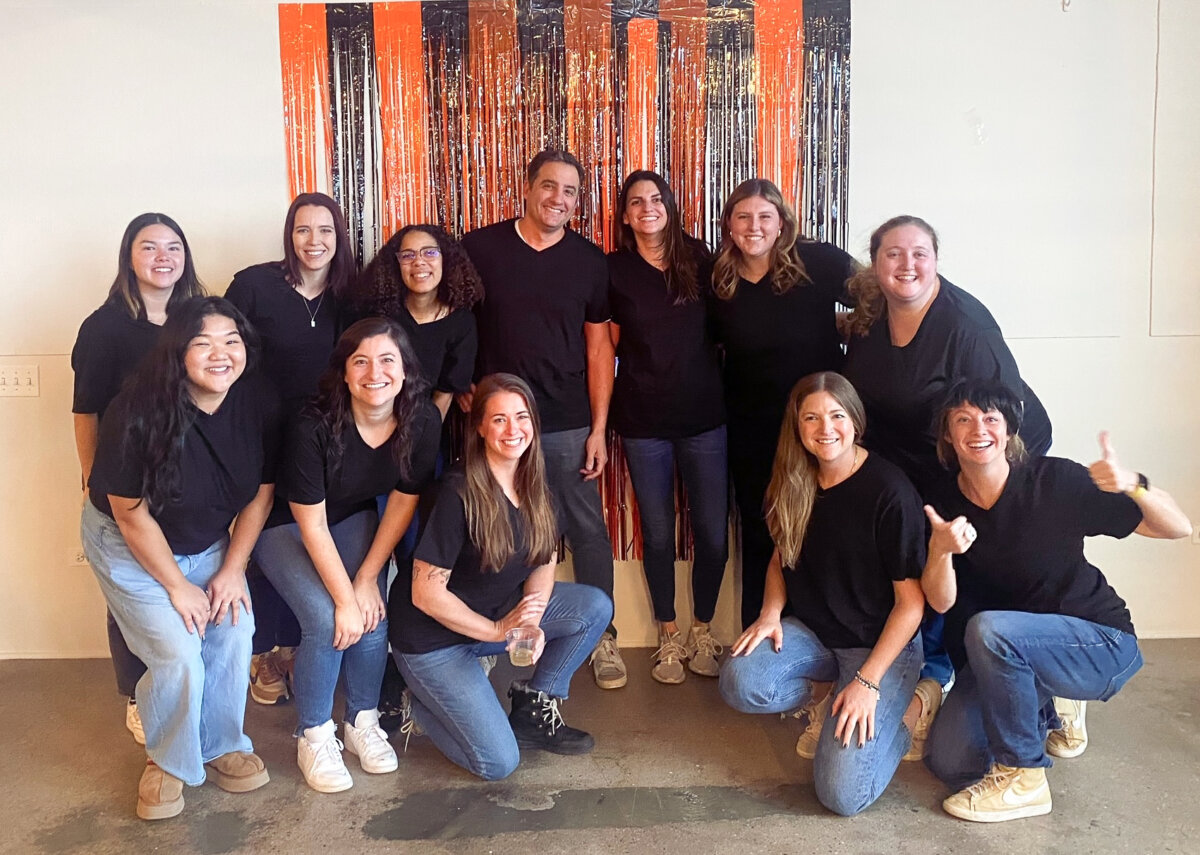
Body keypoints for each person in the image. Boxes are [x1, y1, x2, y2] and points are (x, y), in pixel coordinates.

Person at [921, 379, 1190, 823]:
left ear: (1008, 431)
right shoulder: (942, 500)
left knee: (989, 628)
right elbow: (941, 601)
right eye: (962, 419)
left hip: (1098, 641)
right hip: (1008, 655)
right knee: (952, 762)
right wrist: (941, 550)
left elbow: (1178, 528)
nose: (978, 429)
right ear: (948, 435)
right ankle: (1047, 706)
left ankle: (1025, 777)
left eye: (991, 418)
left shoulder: (1055, 480)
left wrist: (1135, 485)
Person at [842, 214, 1055, 758]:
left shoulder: (967, 324)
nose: (906, 265)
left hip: (976, 454)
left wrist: (991, 486)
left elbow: (1006, 414)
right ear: (876, 261)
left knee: (954, 572)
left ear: (936, 258)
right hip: (907, 463)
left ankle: (1026, 690)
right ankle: (918, 670)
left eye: (919, 253)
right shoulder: (870, 315)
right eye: (893, 254)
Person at [81, 296, 279, 820]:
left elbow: (262, 491)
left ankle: (220, 745)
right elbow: (129, 513)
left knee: (235, 630)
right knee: (178, 651)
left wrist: (233, 569)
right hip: (128, 543)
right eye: (204, 342)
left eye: (232, 341)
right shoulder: (137, 409)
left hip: (207, 542)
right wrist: (176, 585)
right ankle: (167, 761)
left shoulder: (255, 400)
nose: (221, 354)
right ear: (178, 352)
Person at [719, 372, 927, 816]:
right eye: (810, 418)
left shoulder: (890, 492)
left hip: (879, 647)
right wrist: (771, 613)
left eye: (836, 415)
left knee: (842, 796)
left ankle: (906, 713)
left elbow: (912, 605)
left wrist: (868, 681)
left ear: (855, 420)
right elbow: (781, 557)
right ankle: (831, 695)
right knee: (741, 681)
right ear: (797, 426)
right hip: (815, 634)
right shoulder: (793, 480)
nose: (825, 429)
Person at [390, 373, 613, 780]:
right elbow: (424, 594)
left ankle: (533, 707)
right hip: (433, 640)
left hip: (497, 617)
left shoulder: (538, 481)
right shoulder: (456, 492)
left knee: (594, 606)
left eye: (521, 417)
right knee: (498, 763)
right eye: (498, 420)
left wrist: (530, 619)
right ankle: (419, 701)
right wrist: (496, 631)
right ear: (479, 427)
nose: (513, 430)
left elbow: (545, 558)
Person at [252, 318, 441, 793]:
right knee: (326, 620)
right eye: (360, 361)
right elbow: (310, 522)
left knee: (371, 615)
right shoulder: (311, 423)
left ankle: (362, 721)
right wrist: (343, 597)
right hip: (288, 525)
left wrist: (366, 580)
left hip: (354, 518)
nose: (374, 372)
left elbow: (402, 500)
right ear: (343, 371)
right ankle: (314, 733)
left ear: (404, 371)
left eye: (386, 360)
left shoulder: (421, 419)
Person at [461, 149, 623, 689]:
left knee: (586, 529)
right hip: (497, 420)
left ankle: (602, 638)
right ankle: (485, 638)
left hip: (567, 420)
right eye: (549, 186)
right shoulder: (480, 248)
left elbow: (599, 345)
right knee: (489, 527)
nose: (559, 199)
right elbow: (456, 322)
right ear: (527, 188)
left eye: (571, 192)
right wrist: (463, 382)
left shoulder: (588, 259)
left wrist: (599, 427)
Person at [71, 213, 206, 746]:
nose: (163, 257)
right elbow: (86, 411)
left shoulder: (197, 319)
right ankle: (137, 694)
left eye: (173, 247)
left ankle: (182, 687)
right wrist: (88, 474)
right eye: (149, 247)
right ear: (129, 257)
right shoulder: (105, 326)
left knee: (172, 587)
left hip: (187, 483)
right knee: (129, 594)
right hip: (127, 481)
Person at [707, 178, 857, 631]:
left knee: (823, 524)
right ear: (729, 225)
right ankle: (762, 628)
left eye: (764, 217)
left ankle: (825, 630)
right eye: (743, 217)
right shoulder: (719, 278)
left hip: (818, 425)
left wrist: (849, 330)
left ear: (782, 223)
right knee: (760, 528)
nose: (754, 226)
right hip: (750, 425)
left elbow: (877, 297)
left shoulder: (818, 261)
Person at [225, 192, 355, 705]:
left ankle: (300, 649)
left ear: (338, 237)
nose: (314, 241)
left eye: (325, 230)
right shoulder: (253, 285)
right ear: (289, 235)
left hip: (322, 443)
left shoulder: (350, 296)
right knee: (257, 546)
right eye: (304, 230)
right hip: (257, 435)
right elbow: (223, 352)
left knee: (305, 548)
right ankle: (264, 653)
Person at [608, 170, 728, 683]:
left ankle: (704, 630)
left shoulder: (699, 258)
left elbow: (729, 330)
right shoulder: (613, 269)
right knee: (657, 533)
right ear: (625, 214)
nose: (647, 208)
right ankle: (669, 636)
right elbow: (605, 346)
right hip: (643, 421)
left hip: (705, 416)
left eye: (655, 199)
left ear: (670, 205)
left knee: (712, 534)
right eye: (636, 202)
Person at [349, 223, 482, 421]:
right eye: (408, 255)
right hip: (372, 422)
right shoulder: (377, 316)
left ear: (445, 259)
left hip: (428, 428)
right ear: (396, 265)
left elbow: (443, 396)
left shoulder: (461, 323)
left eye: (430, 253)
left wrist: (423, 442)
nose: (419, 262)